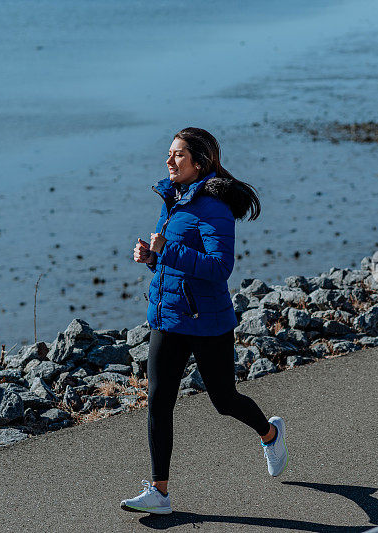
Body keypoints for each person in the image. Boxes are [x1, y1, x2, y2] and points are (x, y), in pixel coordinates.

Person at [121, 127, 288, 515]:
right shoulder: (173, 199)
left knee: (224, 400)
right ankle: (159, 493)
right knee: (158, 402)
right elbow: (174, 260)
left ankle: (271, 433)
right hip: (169, 317)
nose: (169, 161)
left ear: (200, 162)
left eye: (178, 155)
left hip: (208, 322)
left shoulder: (215, 207)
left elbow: (219, 268)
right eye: (169, 153)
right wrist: (152, 259)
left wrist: (168, 250)